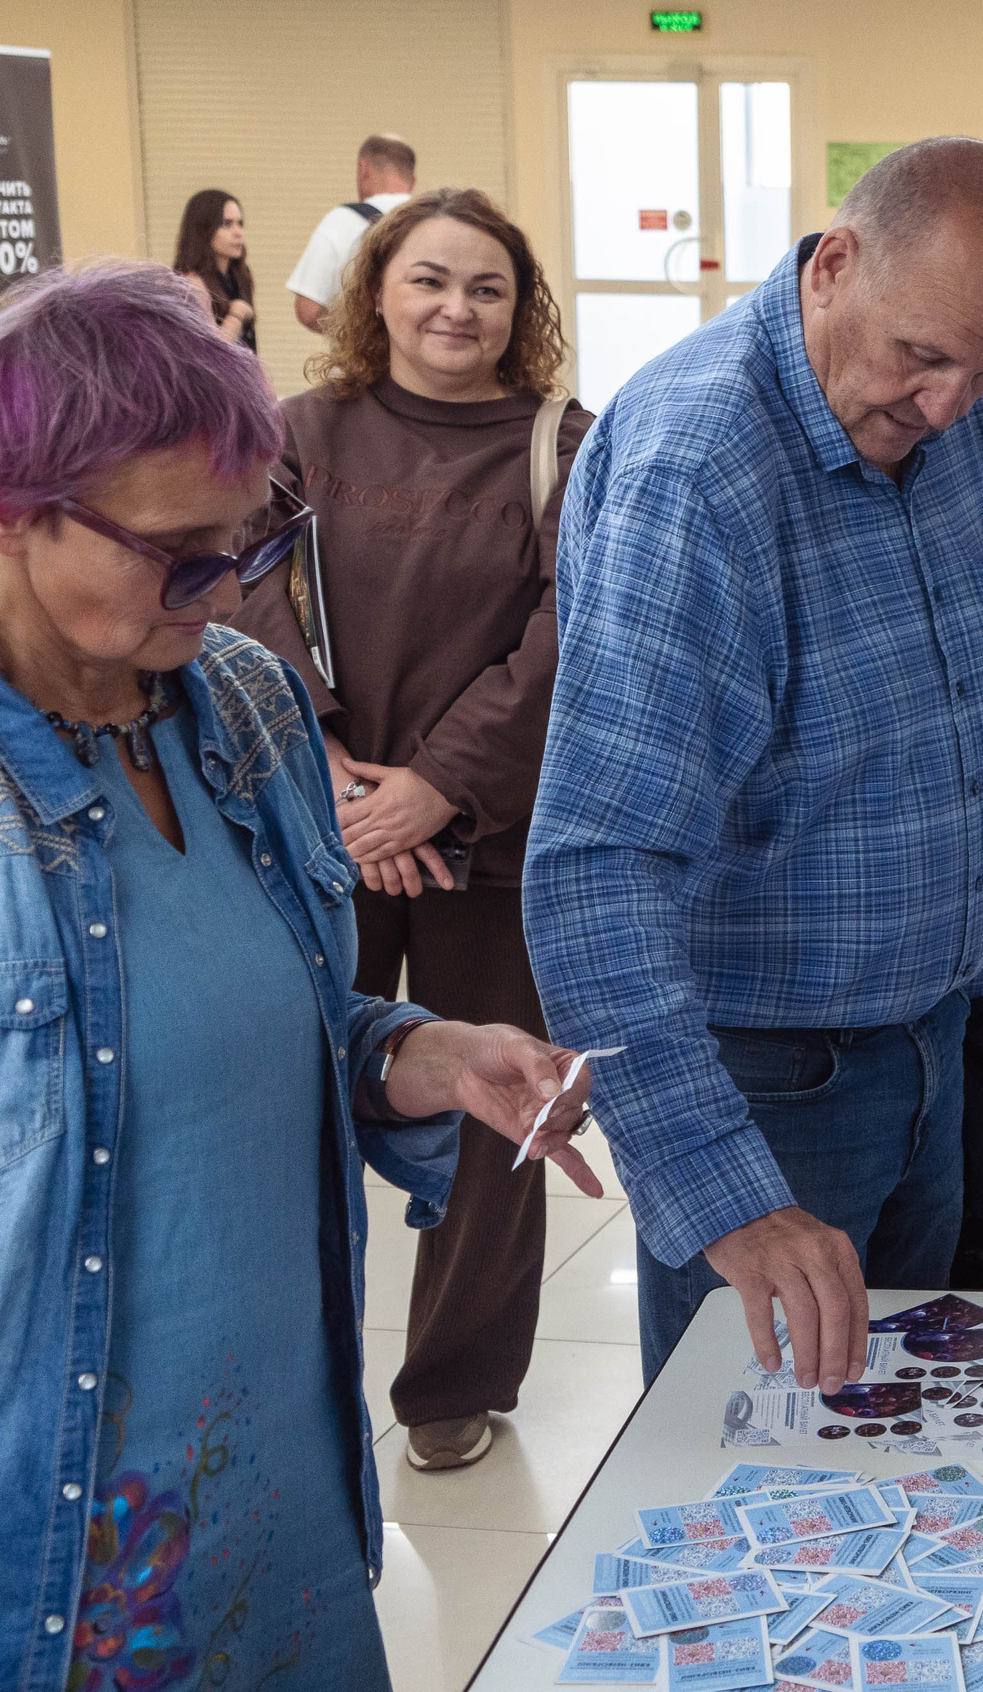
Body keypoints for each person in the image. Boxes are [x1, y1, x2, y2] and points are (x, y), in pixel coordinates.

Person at [0, 260, 597, 1690]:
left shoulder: (239, 706)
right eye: (177, 551)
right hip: (63, 1522)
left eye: (246, 546)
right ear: (19, 516)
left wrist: (425, 1053)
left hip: (281, 1463)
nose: (222, 590)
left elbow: (275, 1023)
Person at [524, 136, 983, 1389]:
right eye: (920, 357)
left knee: (903, 1440)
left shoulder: (949, 409)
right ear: (832, 266)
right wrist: (726, 1195)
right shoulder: (698, 470)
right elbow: (598, 867)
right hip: (772, 1087)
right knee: (755, 1490)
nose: (944, 406)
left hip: (934, 1037)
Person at [233, 186, 590, 1474]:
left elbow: (568, 641)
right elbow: (243, 589)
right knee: (285, 1101)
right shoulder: (293, 431)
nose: (456, 307)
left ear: (520, 310)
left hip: (485, 837)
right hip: (314, 823)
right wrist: (324, 769)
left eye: (487, 288)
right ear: (376, 290)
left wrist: (436, 785)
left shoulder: (563, 442)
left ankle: (451, 1383)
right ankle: (274, 1370)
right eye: (429, 279)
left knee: (501, 1110)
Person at [288, 133, 416, 332]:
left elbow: (308, 311)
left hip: (360, 362)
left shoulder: (340, 221)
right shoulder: (432, 220)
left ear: (363, 169)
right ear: (413, 178)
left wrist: (358, 336)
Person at [171, 188, 255, 351]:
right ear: (203, 230)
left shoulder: (239, 275)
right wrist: (236, 315)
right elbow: (209, 354)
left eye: (240, 223)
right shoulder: (192, 284)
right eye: (227, 224)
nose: (238, 232)